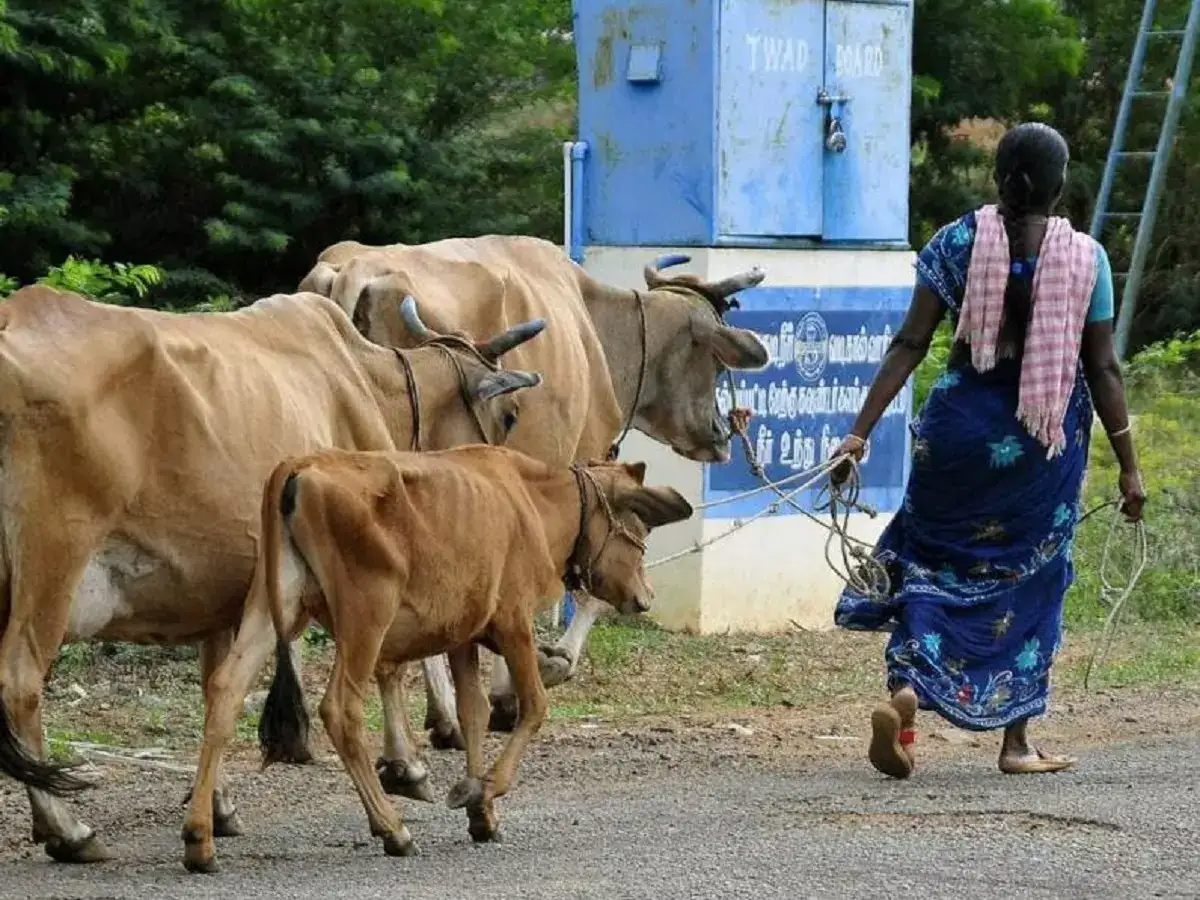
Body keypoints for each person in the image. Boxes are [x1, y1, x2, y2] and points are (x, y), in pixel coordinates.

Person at [831, 122, 1146, 779]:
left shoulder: (956, 243)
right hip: (1039, 452)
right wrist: (1130, 467)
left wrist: (858, 434)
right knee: (1031, 579)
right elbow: (1104, 369)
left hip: (955, 442)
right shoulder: (1087, 259)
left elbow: (909, 343)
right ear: (1060, 186)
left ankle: (908, 695)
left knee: (928, 562)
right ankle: (1016, 743)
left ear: (997, 176)